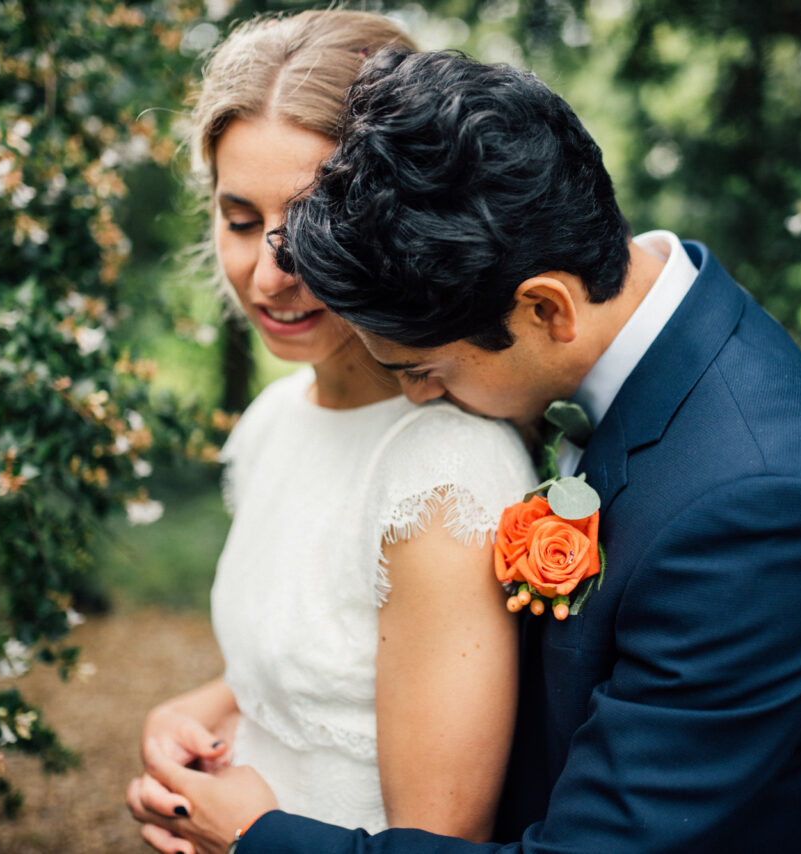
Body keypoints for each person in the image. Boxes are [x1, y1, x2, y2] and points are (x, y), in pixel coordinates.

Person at [141, 47, 801, 852]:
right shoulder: (643, 355)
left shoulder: (765, 506)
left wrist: (258, 838)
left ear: (546, 311)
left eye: (426, 368)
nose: (419, 396)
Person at [124, 19, 538, 854]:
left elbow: (441, 837)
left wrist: (242, 831)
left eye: (315, 222)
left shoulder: (443, 469)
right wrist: (195, 713)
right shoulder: (271, 424)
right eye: (241, 221)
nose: (272, 272)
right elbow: (319, 679)